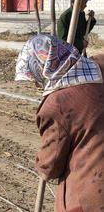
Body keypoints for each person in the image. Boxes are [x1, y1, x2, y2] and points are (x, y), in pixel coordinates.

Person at [15, 34, 104, 212]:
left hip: (92, 192)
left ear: (43, 67)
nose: (36, 84)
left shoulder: (56, 105)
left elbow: (51, 165)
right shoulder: (100, 66)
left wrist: (42, 164)